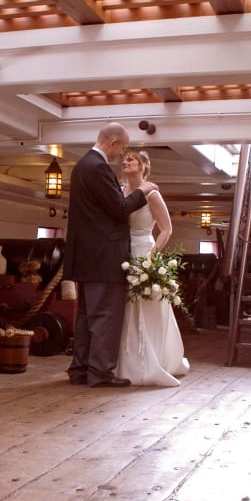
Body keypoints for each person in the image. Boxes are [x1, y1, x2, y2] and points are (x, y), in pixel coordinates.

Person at [63, 123, 159, 388]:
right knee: (105, 316)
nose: (122, 154)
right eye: (123, 147)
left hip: (85, 256)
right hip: (105, 257)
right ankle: (100, 374)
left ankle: (80, 370)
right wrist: (144, 191)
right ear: (113, 142)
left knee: (85, 317)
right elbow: (119, 209)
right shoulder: (98, 167)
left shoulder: (82, 166)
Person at [115, 150, 189, 386]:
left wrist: (152, 256)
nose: (125, 162)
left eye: (131, 159)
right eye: (124, 159)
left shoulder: (152, 194)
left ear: (143, 165)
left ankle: (154, 360)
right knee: (124, 308)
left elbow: (166, 229)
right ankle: (125, 361)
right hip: (121, 253)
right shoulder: (119, 191)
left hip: (143, 251)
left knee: (146, 307)